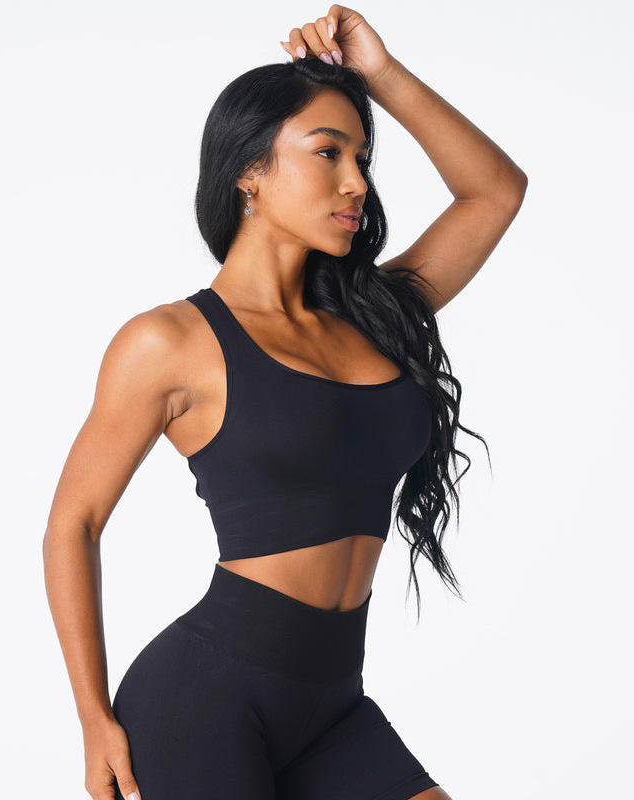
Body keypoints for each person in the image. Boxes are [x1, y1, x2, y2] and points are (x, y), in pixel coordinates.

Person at [42, 6, 527, 799]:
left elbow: (495, 191)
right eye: (328, 152)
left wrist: (379, 74)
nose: (356, 182)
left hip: (334, 708)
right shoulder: (168, 342)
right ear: (249, 171)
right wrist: (93, 717)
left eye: (361, 157)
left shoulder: (379, 318)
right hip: (202, 705)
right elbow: (74, 523)